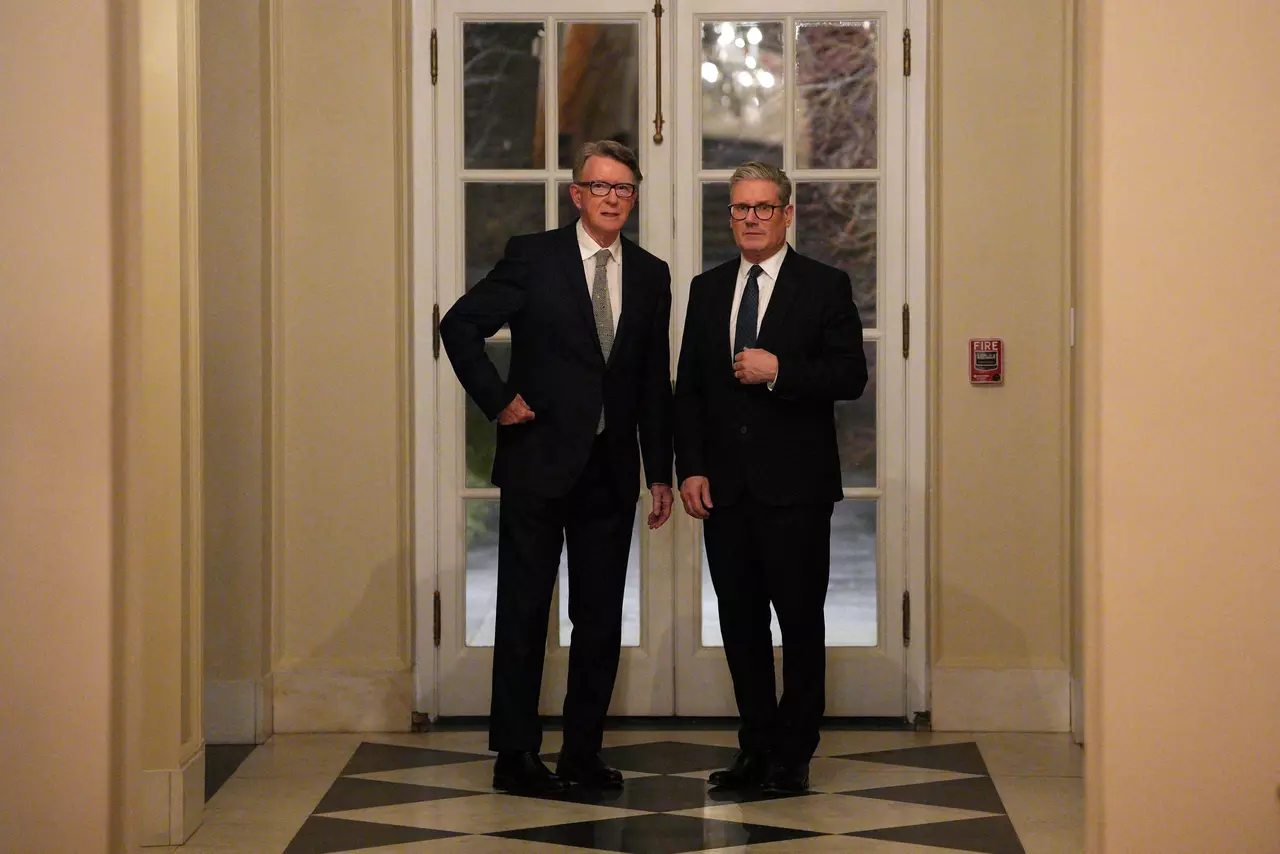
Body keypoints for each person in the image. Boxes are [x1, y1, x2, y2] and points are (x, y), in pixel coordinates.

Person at [440, 140, 674, 794]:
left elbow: (653, 378)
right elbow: (459, 326)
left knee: (599, 619)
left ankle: (582, 754)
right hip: (537, 462)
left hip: (610, 470)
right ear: (577, 194)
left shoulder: (651, 274)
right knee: (522, 612)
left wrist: (659, 470)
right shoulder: (533, 257)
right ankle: (515, 756)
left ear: (633, 197)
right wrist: (497, 399)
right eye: (600, 186)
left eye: (623, 188)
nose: (611, 198)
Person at [674, 161, 868, 793]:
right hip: (725, 490)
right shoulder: (707, 289)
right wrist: (690, 467)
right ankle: (754, 747)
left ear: (787, 214)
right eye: (741, 208)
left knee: (800, 623)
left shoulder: (824, 285)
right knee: (740, 624)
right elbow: (690, 389)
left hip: (797, 491)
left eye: (763, 207)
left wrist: (779, 370)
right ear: (730, 216)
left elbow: (850, 376)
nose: (751, 218)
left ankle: (794, 755)